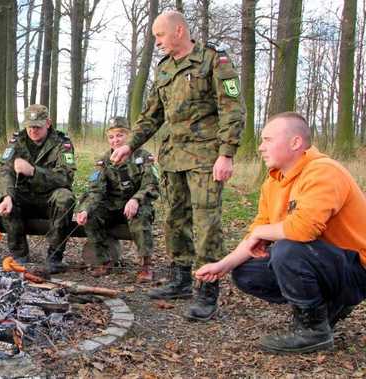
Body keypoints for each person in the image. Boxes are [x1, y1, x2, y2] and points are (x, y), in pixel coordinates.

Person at [110, 10, 244, 321]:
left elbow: (232, 109)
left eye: (160, 35)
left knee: (207, 222)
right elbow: (152, 114)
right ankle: (181, 278)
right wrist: (131, 144)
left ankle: (207, 290)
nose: (156, 42)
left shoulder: (213, 61)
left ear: (179, 31)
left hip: (206, 158)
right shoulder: (164, 68)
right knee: (174, 219)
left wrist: (227, 153)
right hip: (172, 157)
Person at [195, 112, 366, 353]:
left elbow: (303, 230)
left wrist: (262, 232)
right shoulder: (273, 182)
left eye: (267, 140)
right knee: (246, 271)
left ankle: (313, 331)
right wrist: (224, 264)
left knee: (288, 249)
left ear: (295, 143)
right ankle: (325, 309)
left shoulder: (323, 171)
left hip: (356, 269)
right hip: (323, 261)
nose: (260, 147)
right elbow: (258, 229)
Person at [76, 117, 160, 281]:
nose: (115, 140)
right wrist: (85, 209)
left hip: (136, 206)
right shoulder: (104, 161)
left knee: (141, 216)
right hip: (112, 208)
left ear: (129, 136)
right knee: (92, 215)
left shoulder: (143, 157)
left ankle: (145, 265)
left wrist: (136, 199)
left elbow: (152, 185)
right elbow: (95, 190)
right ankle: (104, 261)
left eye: (120, 135)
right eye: (111, 137)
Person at [0, 104, 76, 274]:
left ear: (48, 123)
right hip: (24, 196)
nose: (33, 130)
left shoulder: (62, 144)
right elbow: (5, 170)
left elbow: (65, 178)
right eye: (30, 126)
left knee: (65, 197)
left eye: (37, 126)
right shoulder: (17, 140)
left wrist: (33, 171)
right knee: (7, 198)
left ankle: (54, 257)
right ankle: (19, 255)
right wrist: (7, 196)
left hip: (49, 197)